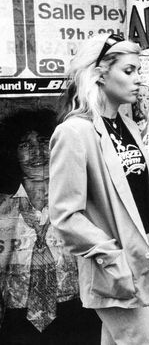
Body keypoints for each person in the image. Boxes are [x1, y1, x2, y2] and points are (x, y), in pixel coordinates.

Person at [49, 33, 149, 345]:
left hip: (139, 260)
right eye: (128, 71)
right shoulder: (74, 133)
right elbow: (66, 216)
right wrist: (113, 257)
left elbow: (142, 199)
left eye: (138, 71)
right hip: (113, 272)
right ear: (100, 73)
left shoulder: (127, 126)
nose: (138, 80)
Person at [0, 109, 101, 345]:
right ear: (11, 151)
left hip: (78, 314)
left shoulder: (81, 199)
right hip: (15, 319)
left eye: (44, 141)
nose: (37, 152)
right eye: (25, 144)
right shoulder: (2, 207)